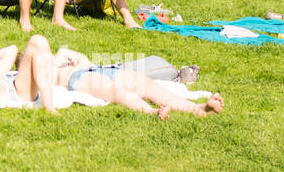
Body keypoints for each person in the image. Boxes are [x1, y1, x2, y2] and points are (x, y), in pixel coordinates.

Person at [52, 45, 224, 119]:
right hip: (78, 78)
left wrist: (73, 57)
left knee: (149, 86)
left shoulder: (60, 52)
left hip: (101, 68)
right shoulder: (45, 69)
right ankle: (151, 112)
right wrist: (57, 63)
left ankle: (197, 108)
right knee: (118, 93)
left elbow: (84, 60)